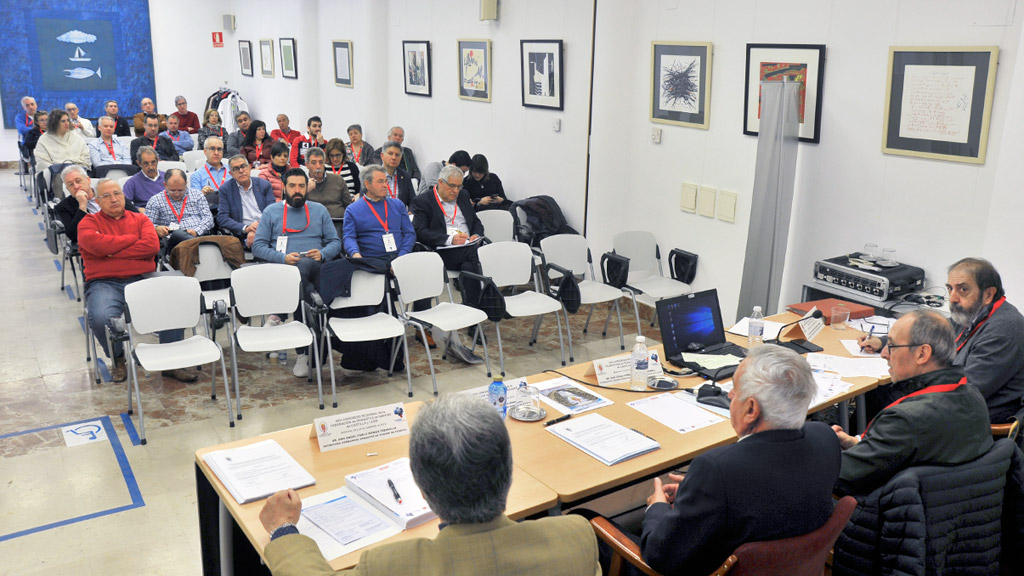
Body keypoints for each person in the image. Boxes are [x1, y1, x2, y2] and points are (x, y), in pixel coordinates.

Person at [259, 394, 600, 576]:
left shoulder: (391, 566)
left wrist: (283, 529)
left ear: (422, 489)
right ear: (509, 473)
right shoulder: (575, 538)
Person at [593, 345, 838, 576]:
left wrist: (655, 507)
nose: (730, 394)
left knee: (585, 520)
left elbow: (659, 557)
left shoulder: (717, 469)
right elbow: (770, 491)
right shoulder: (826, 439)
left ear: (751, 409)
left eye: (736, 388)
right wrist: (701, 495)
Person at [835, 309, 993, 495]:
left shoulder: (906, 419)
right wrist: (858, 444)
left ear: (922, 354)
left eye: (892, 346)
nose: (884, 353)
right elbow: (908, 450)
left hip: (882, 515)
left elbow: (842, 476)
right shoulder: (971, 394)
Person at [859, 258, 1024, 424]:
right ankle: (857, 442)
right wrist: (883, 342)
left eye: (963, 290)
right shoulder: (974, 313)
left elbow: (967, 390)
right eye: (950, 289)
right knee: (879, 391)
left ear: (988, 294)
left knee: (884, 395)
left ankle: (857, 444)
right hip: (952, 396)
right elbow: (933, 333)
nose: (952, 298)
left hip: (971, 416)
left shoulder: (1003, 331)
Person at [78, 179, 196, 383]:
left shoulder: (141, 220)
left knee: (174, 301)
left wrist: (110, 253)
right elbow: (94, 245)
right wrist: (132, 240)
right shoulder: (88, 222)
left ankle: (171, 362)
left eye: (117, 194)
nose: (114, 199)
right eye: (106, 196)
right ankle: (118, 358)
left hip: (143, 278)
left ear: (124, 196)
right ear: (97, 200)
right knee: (100, 317)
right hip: (104, 282)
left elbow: (150, 247)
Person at [252, 168, 342, 378]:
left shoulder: (319, 210)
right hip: (284, 270)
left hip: (316, 267)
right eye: (292, 186)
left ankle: (280, 315)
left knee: (303, 269)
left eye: (302, 186)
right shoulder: (272, 212)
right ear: (284, 188)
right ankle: (306, 352)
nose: (297, 190)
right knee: (305, 288)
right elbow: (258, 246)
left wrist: (322, 253)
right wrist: (282, 258)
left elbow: (335, 242)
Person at [410, 164, 486, 364]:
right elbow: (419, 232)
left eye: (459, 186)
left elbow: (476, 221)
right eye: (452, 186)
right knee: (478, 258)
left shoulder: (463, 196)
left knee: (471, 267)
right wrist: (450, 240)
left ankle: (473, 318)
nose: (456, 191)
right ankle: (486, 305)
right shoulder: (423, 201)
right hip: (440, 251)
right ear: (440, 183)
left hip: (467, 248)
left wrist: (477, 234)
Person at [343, 164, 416, 262]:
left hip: (401, 257)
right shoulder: (352, 210)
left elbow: (409, 234)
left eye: (386, 181)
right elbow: (349, 237)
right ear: (367, 184)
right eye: (380, 182)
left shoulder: (398, 205)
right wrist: (355, 254)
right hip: (371, 261)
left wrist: (402, 257)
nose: (385, 185)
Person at [55, 165, 139, 244]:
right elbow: (73, 236)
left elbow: (137, 216)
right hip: (97, 243)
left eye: (78, 181)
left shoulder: (108, 192)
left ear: (88, 180)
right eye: (71, 184)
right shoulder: (64, 207)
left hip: (125, 234)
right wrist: (82, 206)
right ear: (67, 189)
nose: (76, 186)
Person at [144, 169, 214, 256]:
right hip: (174, 243)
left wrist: (197, 231)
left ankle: (196, 244)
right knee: (178, 234)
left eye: (180, 190)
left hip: (199, 235)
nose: (177, 194)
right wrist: (156, 228)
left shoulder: (197, 195)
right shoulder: (155, 201)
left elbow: (208, 218)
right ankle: (196, 246)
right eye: (173, 190)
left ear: (186, 184)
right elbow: (146, 225)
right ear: (165, 185)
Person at [217, 155, 275, 248]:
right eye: (236, 169)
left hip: (267, 228)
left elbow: (272, 212)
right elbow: (222, 218)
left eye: (243, 166)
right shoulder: (226, 189)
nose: (241, 171)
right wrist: (246, 228)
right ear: (231, 173)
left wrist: (256, 229)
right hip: (242, 234)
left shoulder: (264, 185)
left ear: (249, 167)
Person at [305, 147, 352, 237]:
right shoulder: (302, 183)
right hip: (313, 224)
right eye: (314, 163)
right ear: (307, 165)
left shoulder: (337, 179)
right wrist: (306, 190)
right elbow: (294, 207)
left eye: (321, 162)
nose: (318, 166)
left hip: (337, 223)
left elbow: (349, 206)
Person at [34, 108, 91, 175]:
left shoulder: (76, 137)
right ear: (55, 123)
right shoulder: (44, 139)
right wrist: (57, 169)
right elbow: (42, 161)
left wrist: (76, 168)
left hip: (77, 170)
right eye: (63, 121)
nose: (67, 123)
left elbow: (85, 155)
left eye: (68, 120)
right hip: (55, 173)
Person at [189, 137, 231, 210]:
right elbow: (194, 203)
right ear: (205, 151)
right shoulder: (196, 176)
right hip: (211, 212)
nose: (216, 153)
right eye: (212, 149)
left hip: (233, 209)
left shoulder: (232, 171)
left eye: (219, 149)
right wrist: (202, 194)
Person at [122, 146, 165, 211]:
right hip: (145, 215)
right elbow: (124, 203)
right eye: (146, 164)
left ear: (157, 160)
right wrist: (137, 209)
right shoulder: (132, 183)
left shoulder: (168, 177)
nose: (151, 167)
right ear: (139, 163)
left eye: (153, 162)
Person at [378, 141, 416, 206]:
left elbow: (413, 201)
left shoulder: (405, 176)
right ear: (382, 156)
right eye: (390, 154)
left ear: (400, 158)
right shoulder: (372, 174)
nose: (394, 158)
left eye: (397, 155)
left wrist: (411, 211)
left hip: (399, 214)